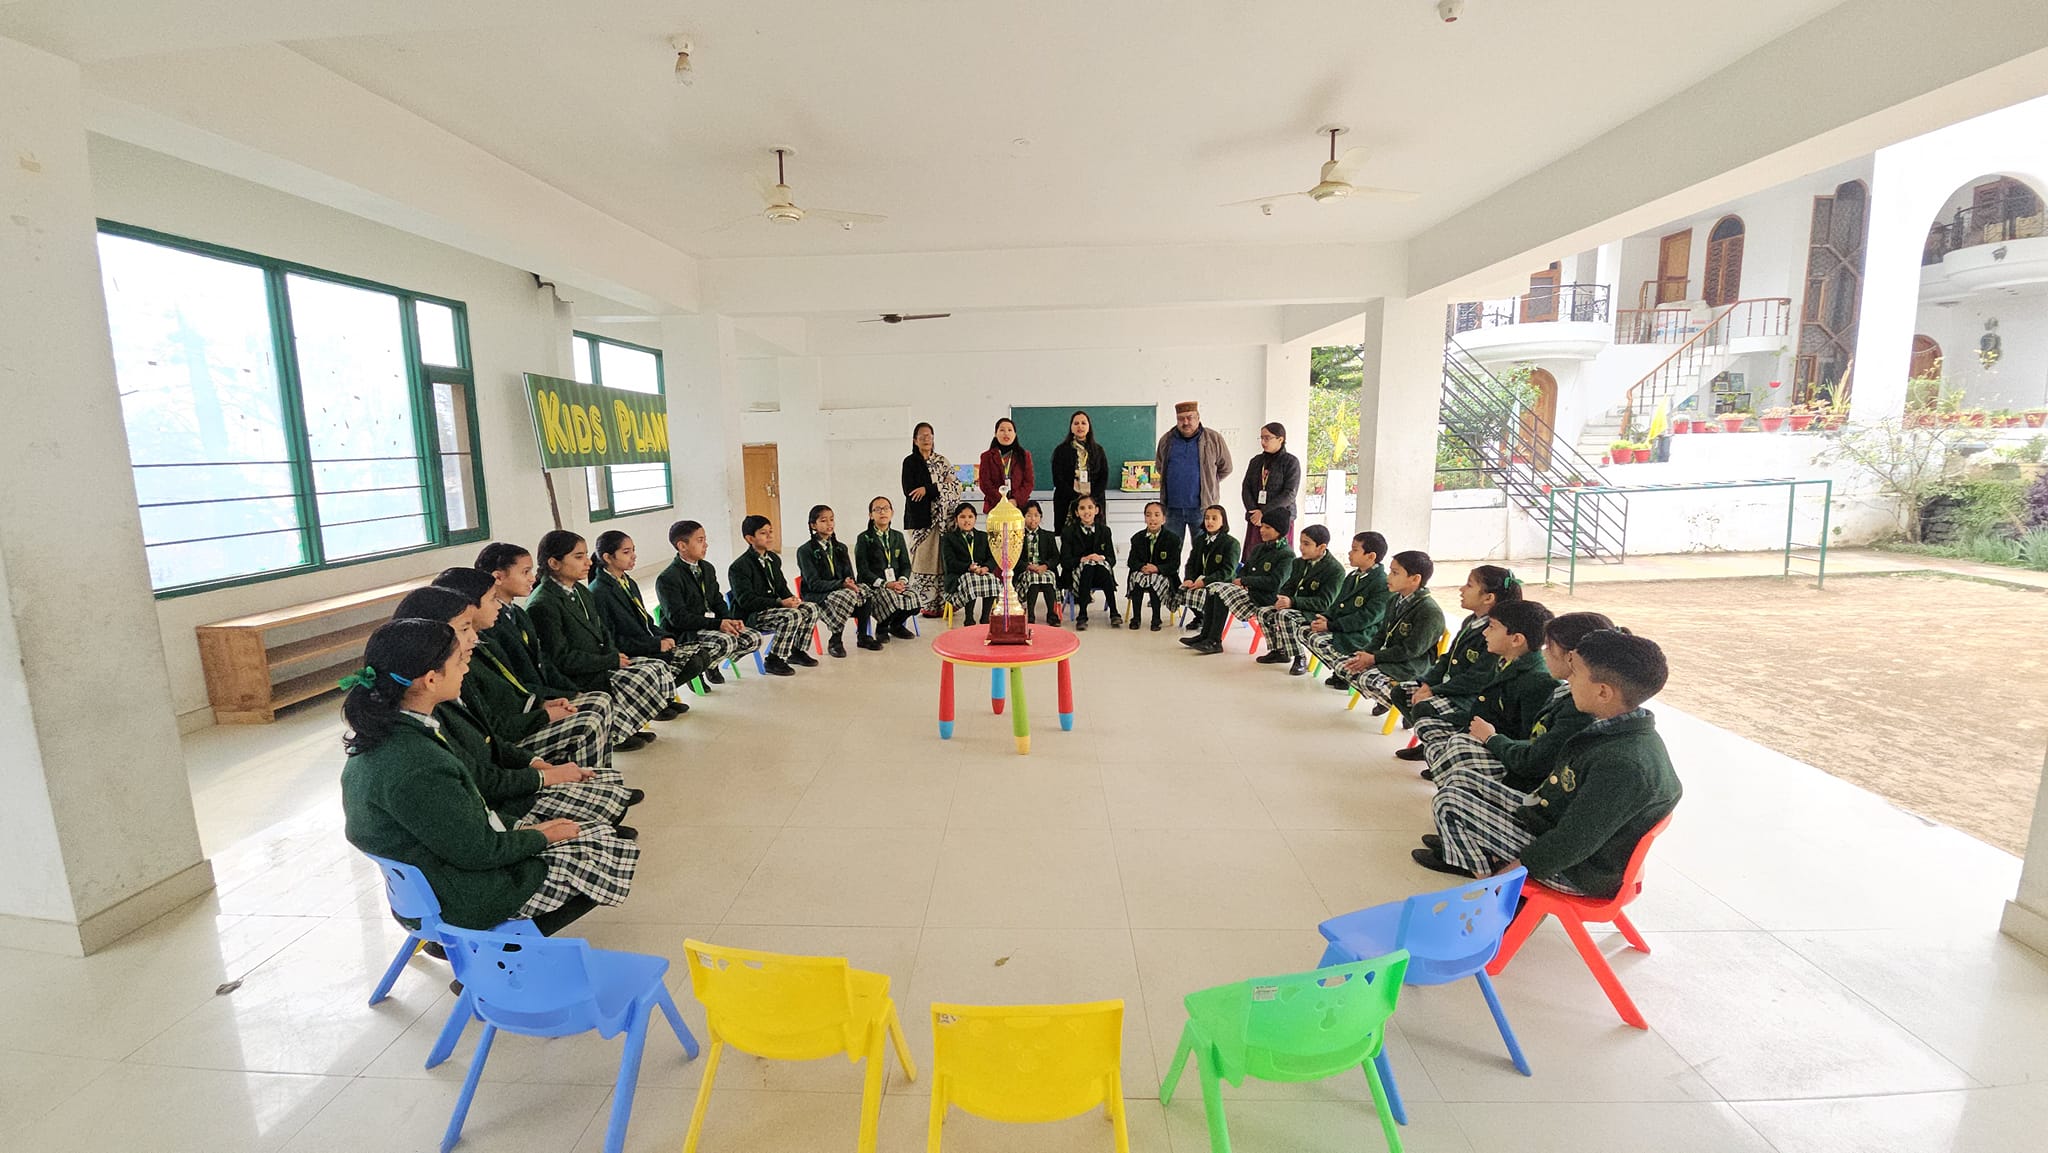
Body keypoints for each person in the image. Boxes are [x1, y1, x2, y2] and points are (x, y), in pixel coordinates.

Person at [340, 618, 634, 936]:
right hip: (459, 897)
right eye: (458, 662)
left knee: (588, 832)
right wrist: (541, 836)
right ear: (431, 680)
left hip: (434, 882)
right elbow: (480, 851)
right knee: (602, 848)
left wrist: (527, 829)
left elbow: (461, 823)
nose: (466, 668)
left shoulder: (391, 732)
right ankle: (493, 941)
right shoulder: (416, 763)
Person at [1413, 629, 1682, 891]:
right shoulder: (1615, 729)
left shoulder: (1624, 765)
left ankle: (1490, 885)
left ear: (1603, 692)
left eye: (1575, 673)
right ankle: (1471, 852)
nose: (1569, 680)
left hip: (1576, 869)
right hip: (1549, 819)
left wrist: (1510, 874)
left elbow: (1571, 844)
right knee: (1461, 779)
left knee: (1449, 802)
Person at [393, 586, 638, 833]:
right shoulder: (429, 710)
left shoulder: (457, 673)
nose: (473, 638)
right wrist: (543, 776)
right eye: (464, 628)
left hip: (503, 766)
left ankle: (590, 815)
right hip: (495, 801)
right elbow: (481, 779)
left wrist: (536, 759)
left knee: (606, 784)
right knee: (602, 822)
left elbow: (494, 731)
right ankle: (589, 821)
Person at [1420, 612, 1611, 806]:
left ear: (1572, 658)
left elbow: (1535, 756)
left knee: (1455, 767)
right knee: (1450, 743)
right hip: (1514, 752)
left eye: (1549, 647)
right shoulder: (1564, 692)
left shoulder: (1557, 692)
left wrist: (1491, 738)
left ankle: (1462, 801)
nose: (1544, 653)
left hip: (1530, 783)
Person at [433, 565, 612, 770]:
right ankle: (583, 777)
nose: (498, 606)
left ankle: (594, 774)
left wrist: (542, 703)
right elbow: (493, 730)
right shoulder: (458, 665)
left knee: (600, 700)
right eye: (492, 599)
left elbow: (517, 684)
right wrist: (543, 714)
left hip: (523, 714)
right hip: (510, 737)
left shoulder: (487, 637)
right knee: (588, 721)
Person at [526, 530, 680, 746]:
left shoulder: (579, 591)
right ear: (554, 563)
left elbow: (602, 631)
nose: (588, 562)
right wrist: (609, 661)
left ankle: (629, 727)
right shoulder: (543, 604)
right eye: (578, 557)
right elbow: (561, 658)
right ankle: (616, 735)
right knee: (640, 676)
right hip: (579, 675)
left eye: (586, 555)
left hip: (599, 662)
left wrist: (613, 654)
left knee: (655, 668)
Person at [1354, 564, 1523, 760]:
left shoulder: (1495, 633)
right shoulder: (1470, 621)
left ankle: (1440, 750)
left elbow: (1478, 679)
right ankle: (1430, 742)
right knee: (1401, 692)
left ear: (1488, 598)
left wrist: (1435, 690)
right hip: (1450, 686)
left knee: (1425, 706)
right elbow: (1447, 658)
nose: (1461, 589)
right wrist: (1426, 683)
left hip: (1469, 697)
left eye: (1469, 585)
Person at [472, 542, 629, 748]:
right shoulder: (491, 626)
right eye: (525, 572)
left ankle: (616, 740)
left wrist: (570, 691)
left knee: (601, 698)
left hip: (545, 690)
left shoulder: (517, 613)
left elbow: (543, 660)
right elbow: (515, 682)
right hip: (529, 703)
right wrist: (548, 699)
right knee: (597, 705)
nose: (532, 578)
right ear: (498, 577)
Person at [1406, 600, 1558, 771]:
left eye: (1492, 627)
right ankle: (1446, 767)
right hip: (1482, 727)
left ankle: (1454, 773)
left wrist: (1490, 738)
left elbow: (1528, 740)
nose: (1485, 632)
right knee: (1426, 726)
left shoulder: (1539, 680)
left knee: (1456, 749)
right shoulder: (1504, 660)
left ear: (1516, 639)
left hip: (1502, 746)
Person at [589, 530, 714, 697]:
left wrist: (664, 637)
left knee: (701, 656)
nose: (634, 556)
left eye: (633, 550)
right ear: (607, 557)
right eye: (626, 552)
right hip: (631, 651)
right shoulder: (599, 592)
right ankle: (659, 700)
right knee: (693, 662)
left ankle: (661, 699)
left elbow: (646, 622)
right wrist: (655, 645)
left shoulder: (628, 582)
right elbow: (612, 640)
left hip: (645, 643)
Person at [654, 520, 762, 679]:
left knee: (753, 638)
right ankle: (695, 670)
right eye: (700, 540)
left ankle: (709, 664)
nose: (706, 545)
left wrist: (729, 620)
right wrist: (718, 624)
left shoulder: (707, 568)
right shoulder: (668, 578)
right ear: (682, 546)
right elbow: (678, 619)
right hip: (687, 631)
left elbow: (717, 600)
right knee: (727, 641)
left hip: (710, 623)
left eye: (705, 539)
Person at [1331, 550, 1448, 694]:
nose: (1389, 577)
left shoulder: (1430, 612)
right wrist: (1365, 653)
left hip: (1410, 665)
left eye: (1395, 573)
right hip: (1389, 657)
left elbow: (1410, 650)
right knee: (1342, 665)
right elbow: (1381, 634)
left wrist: (1374, 658)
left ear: (1415, 579)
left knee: (1365, 678)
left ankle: (1389, 702)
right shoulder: (1394, 599)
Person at [1184, 506, 1293, 655]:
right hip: (1250, 593)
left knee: (1220, 591)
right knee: (1215, 588)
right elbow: (1244, 570)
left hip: (1266, 598)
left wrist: (1245, 581)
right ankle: (1205, 636)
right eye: (1262, 526)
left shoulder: (1287, 555)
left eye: (1267, 527)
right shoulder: (1259, 548)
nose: (1262, 530)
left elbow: (1274, 583)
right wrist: (1241, 580)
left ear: (1279, 531)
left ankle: (1215, 641)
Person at [728, 515, 822, 676]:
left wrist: (792, 599)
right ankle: (774, 660)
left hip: (773, 608)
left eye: (770, 531)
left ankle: (797, 651)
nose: (770, 536)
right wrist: (780, 602)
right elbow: (746, 601)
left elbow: (781, 587)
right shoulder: (739, 566)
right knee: (791, 615)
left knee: (811, 608)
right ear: (750, 538)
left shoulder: (773, 559)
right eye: (763, 533)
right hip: (752, 614)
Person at [1301, 532, 1393, 688]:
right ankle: (1342, 671)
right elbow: (1337, 603)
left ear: (1371, 556)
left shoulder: (1381, 583)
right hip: (1343, 627)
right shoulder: (1352, 576)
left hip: (1362, 633)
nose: (1350, 553)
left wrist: (1331, 626)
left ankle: (1347, 673)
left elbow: (1366, 618)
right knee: (1306, 631)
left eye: (1355, 550)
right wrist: (1326, 618)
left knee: (1320, 640)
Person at [1254, 523, 1345, 675]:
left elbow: (1324, 603)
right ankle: (1279, 651)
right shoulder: (1298, 562)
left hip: (1316, 613)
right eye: (1301, 542)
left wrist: (1292, 602)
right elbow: (1289, 586)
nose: (1301, 547)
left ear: (1321, 547)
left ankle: (1299, 657)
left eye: (1306, 544)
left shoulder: (1335, 570)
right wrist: (1282, 598)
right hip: (1296, 606)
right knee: (1263, 612)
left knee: (1284, 615)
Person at [901, 422, 967, 615]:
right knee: (924, 561)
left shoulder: (942, 461)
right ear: (915, 440)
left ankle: (946, 604)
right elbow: (910, 491)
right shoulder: (910, 462)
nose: (926, 439)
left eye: (929, 435)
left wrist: (929, 489)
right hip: (921, 521)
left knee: (942, 561)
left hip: (944, 521)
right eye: (922, 436)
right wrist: (939, 487)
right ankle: (926, 605)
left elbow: (956, 487)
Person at [795, 504, 872, 657]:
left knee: (865, 590)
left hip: (840, 591)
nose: (829, 524)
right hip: (817, 594)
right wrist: (841, 584)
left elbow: (849, 575)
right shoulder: (805, 551)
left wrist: (849, 583)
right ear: (813, 525)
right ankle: (835, 640)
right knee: (845, 595)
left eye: (831, 519)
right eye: (823, 520)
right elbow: (813, 583)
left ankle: (863, 636)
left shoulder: (840, 547)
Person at [1153, 401, 1233, 543]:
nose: (1185, 422)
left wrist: (1208, 482)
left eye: (1190, 417)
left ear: (1198, 417)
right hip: (1172, 509)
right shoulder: (1166, 440)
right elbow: (1160, 467)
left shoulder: (1213, 439)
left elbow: (1226, 467)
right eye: (1181, 418)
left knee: (1204, 548)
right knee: (1170, 550)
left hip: (1202, 509)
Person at [854, 496, 924, 643]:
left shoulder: (897, 536)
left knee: (915, 598)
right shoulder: (864, 538)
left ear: (892, 512)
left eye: (886, 508)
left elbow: (906, 564)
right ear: (871, 515)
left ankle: (896, 625)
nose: (882, 512)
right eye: (877, 509)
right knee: (890, 598)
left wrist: (902, 581)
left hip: (897, 583)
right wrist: (886, 584)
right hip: (874, 585)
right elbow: (863, 570)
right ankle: (882, 628)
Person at [1240, 422, 1302, 559]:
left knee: (1277, 559)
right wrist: (1254, 511)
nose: (1263, 442)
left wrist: (1263, 512)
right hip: (1256, 519)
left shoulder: (1290, 462)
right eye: (1261, 438)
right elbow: (1246, 488)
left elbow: (1289, 494)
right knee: (1253, 557)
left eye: (1267, 438)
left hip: (1279, 519)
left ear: (1280, 439)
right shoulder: (1256, 461)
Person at [1060, 493, 1121, 630]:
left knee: (1101, 569)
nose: (1086, 511)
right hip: (1078, 574)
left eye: (1090, 507)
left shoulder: (1105, 531)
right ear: (1077, 512)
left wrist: (1101, 558)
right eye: (1082, 508)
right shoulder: (1069, 532)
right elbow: (1065, 561)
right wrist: (1082, 559)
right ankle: (1082, 615)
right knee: (1088, 568)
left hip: (1100, 573)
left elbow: (1111, 559)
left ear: (1096, 510)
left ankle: (1114, 613)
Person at [939, 501, 1001, 625]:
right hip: (959, 575)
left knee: (992, 579)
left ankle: (985, 618)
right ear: (956, 520)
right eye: (962, 517)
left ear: (975, 519)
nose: (966, 520)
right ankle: (969, 619)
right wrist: (968, 568)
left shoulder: (983, 536)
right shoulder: (948, 538)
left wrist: (986, 568)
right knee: (971, 580)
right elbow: (950, 562)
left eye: (970, 517)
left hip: (981, 572)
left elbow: (993, 558)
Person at [1124, 500, 1182, 632]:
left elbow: (1174, 565)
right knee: (1137, 580)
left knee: (1154, 581)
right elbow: (1131, 561)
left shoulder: (1173, 539)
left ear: (1164, 519)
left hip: (1163, 575)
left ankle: (1156, 619)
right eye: (1148, 515)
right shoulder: (1137, 538)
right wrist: (1142, 567)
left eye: (1157, 515)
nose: (1152, 518)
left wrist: (1157, 569)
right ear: (1145, 518)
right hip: (1142, 572)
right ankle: (1136, 618)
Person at [1177, 505, 1239, 628]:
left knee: (1206, 593)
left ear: (1223, 521)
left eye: (1214, 518)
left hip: (1221, 582)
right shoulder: (1200, 540)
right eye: (1207, 518)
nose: (1209, 521)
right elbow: (1190, 563)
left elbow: (1227, 571)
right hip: (1200, 580)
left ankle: (1208, 621)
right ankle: (1200, 617)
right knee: (1182, 590)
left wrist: (1205, 581)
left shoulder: (1231, 543)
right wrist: (1189, 578)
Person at [1049, 410, 1110, 531]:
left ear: (1089, 427)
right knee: (1066, 535)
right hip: (1067, 500)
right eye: (1076, 423)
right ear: (1071, 428)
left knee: (1095, 535)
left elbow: (1104, 476)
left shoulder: (1098, 450)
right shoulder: (1061, 450)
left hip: (1093, 500)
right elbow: (1058, 478)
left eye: (1083, 423)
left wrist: (1091, 498)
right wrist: (1076, 497)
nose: (1080, 426)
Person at [1015, 499, 1063, 625]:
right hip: (1026, 571)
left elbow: (1056, 557)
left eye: (1036, 515)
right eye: (1029, 515)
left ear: (1041, 517)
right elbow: (1014, 559)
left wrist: (1045, 566)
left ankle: (1051, 614)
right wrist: (1028, 566)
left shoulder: (1048, 536)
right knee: (1034, 579)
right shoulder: (1017, 536)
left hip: (1044, 570)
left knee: (1048, 578)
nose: (1033, 519)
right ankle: (1031, 615)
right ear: (1023, 517)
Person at [977, 416, 1035, 513]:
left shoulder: (1024, 456)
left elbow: (1028, 482)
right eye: (1002, 430)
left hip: (1018, 507)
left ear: (1015, 434)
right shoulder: (986, 456)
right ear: (995, 434)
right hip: (995, 507)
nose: (1006, 433)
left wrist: (1015, 500)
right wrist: (1002, 500)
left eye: (1009, 430)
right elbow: (985, 483)